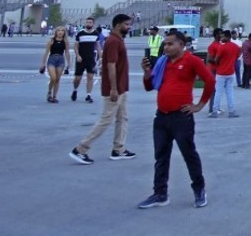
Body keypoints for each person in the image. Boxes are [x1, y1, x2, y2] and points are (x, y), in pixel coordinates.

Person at [138, 30, 215, 209]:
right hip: (162, 117)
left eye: (170, 44)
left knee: (189, 154)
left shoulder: (192, 61)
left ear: (182, 45)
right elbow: (149, 86)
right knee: (161, 156)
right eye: (165, 44)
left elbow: (209, 80)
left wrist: (199, 105)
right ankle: (160, 193)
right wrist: (147, 72)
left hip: (181, 117)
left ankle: (199, 189)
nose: (166, 47)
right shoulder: (162, 63)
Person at [69, 14, 135, 165]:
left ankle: (119, 149)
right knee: (106, 120)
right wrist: (113, 88)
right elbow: (110, 65)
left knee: (122, 118)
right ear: (118, 25)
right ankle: (81, 149)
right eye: (126, 24)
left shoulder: (118, 40)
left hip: (122, 87)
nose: (129, 27)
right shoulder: (112, 41)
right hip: (115, 88)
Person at [209, 30, 239, 118]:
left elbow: (216, 60)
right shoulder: (236, 47)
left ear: (227, 37)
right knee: (230, 92)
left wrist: (217, 62)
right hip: (230, 72)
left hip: (221, 72)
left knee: (218, 92)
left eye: (223, 37)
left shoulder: (222, 47)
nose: (221, 38)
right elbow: (237, 56)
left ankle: (214, 111)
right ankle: (232, 111)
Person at [72, 17, 101, 103]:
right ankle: (75, 90)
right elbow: (75, 46)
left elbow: (98, 46)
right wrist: (77, 55)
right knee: (77, 78)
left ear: (93, 24)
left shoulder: (96, 33)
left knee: (90, 77)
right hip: (81, 58)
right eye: (87, 22)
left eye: (90, 22)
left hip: (91, 58)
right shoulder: (80, 33)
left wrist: (101, 57)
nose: (88, 24)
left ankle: (88, 95)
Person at [39, 27, 71, 103]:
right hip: (52, 59)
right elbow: (46, 52)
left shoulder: (65, 41)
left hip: (60, 60)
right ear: (56, 32)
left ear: (64, 32)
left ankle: (54, 96)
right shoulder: (51, 40)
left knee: (57, 79)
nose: (60, 32)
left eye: (62, 31)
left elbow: (67, 52)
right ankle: (49, 92)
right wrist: (43, 63)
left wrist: (69, 63)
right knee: (53, 78)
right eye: (59, 30)